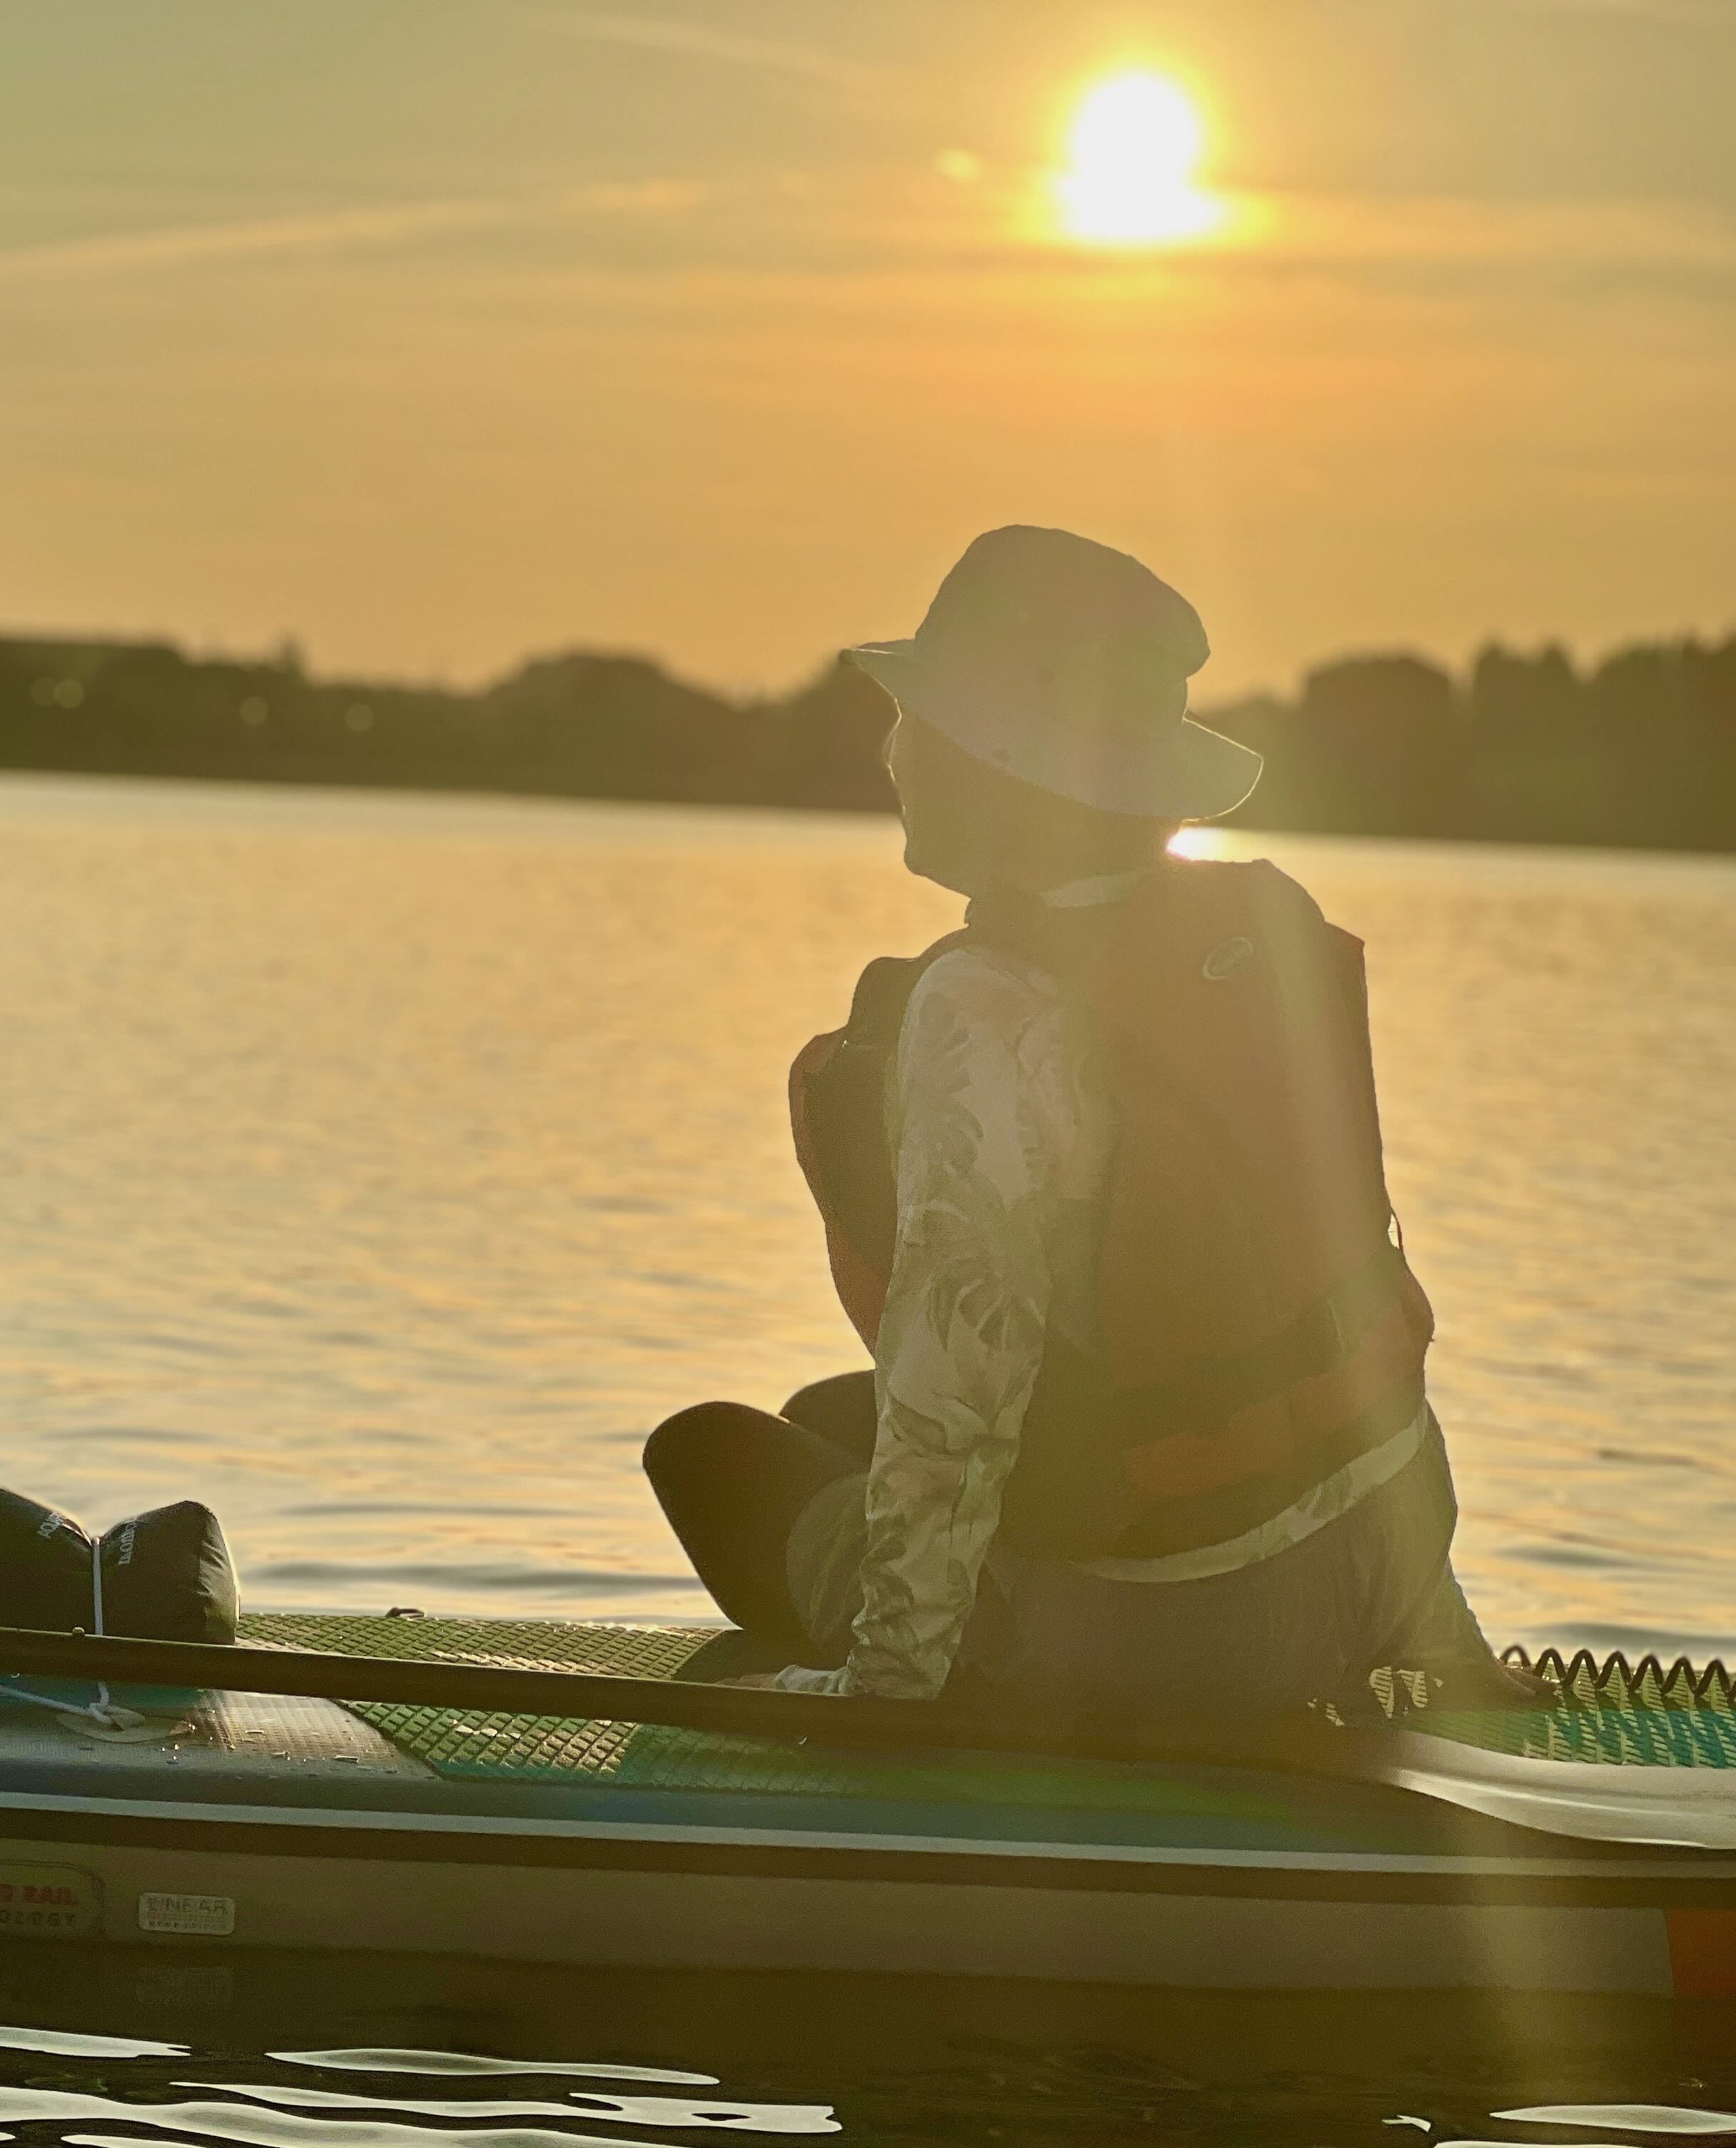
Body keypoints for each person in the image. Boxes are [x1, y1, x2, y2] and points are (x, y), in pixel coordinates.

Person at [645, 525, 1514, 1715]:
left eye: (918, 722)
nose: (894, 753)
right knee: (824, 1419)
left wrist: (888, 1684)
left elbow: (955, 1396)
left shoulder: (986, 1007)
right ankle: (1372, 1623)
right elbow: (1343, 1301)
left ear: (990, 762)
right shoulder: (1255, 942)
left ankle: (969, 1657)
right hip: (1376, 1579)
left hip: (1179, 1642)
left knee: (711, 1455)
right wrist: (1439, 1637)